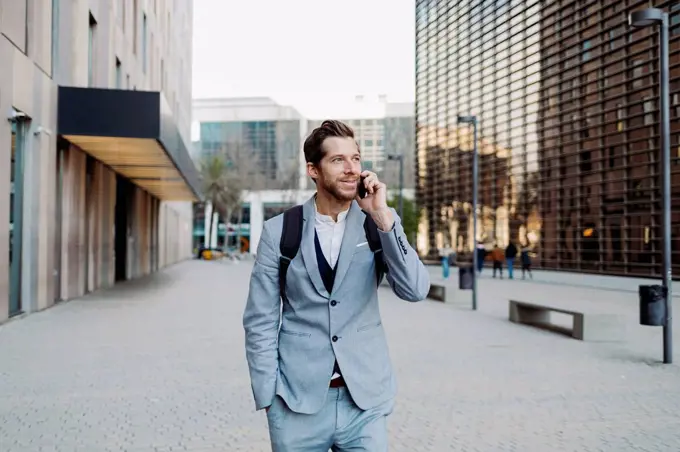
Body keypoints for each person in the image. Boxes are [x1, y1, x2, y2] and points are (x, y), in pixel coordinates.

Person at [242, 120, 430, 451]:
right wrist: (268, 395)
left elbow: (415, 289)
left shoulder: (377, 223)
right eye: (338, 160)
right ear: (313, 170)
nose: (351, 169)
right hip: (296, 404)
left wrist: (383, 218)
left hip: (365, 402)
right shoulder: (278, 232)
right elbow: (260, 319)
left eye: (355, 159)